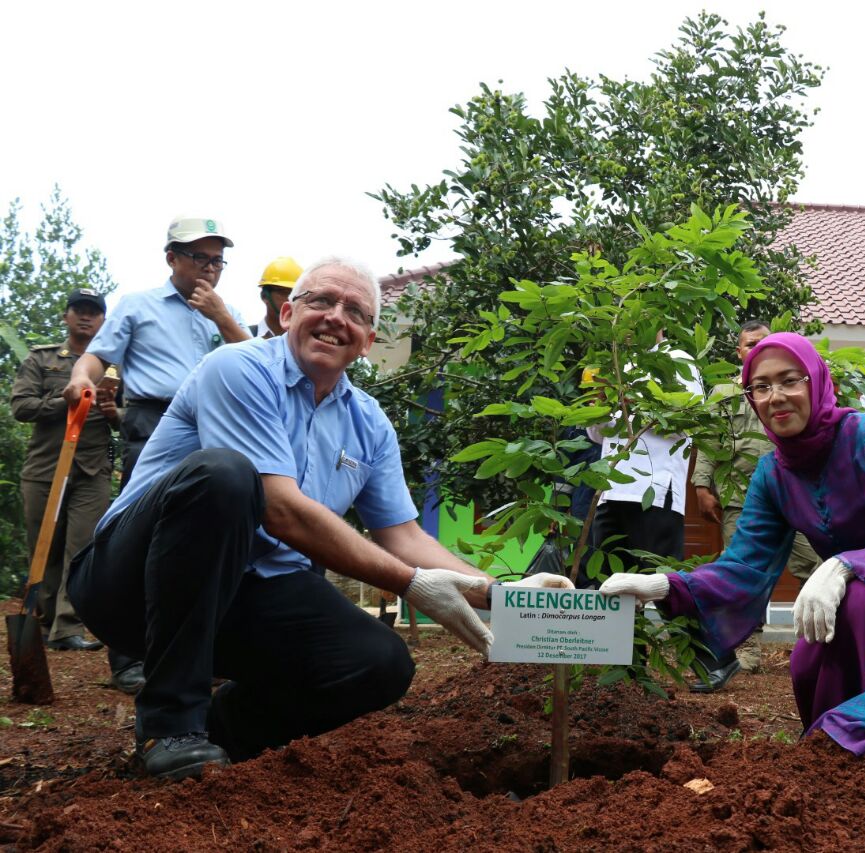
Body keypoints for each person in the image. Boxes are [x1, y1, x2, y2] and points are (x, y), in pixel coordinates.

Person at [64, 257, 571, 781]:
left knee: (378, 664)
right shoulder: (237, 368)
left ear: (368, 340)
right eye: (321, 301)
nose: (336, 317)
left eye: (355, 311)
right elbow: (278, 508)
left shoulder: (369, 424)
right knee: (225, 477)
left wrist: (502, 595)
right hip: (130, 588)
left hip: (241, 598)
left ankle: (214, 737)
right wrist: (412, 584)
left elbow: (403, 535)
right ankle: (170, 725)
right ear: (287, 314)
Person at [599, 333, 865, 755]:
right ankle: (836, 756)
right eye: (760, 387)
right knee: (807, 658)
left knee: (859, 603)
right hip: (862, 598)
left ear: (816, 381)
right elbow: (744, 566)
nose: (775, 397)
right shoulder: (772, 474)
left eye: (790, 380)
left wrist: (843, 566)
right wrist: (664, 585)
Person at [65, 215, 250, 693]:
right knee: (138, 530)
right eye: (199, 258)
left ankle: (203, 652)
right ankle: (128, 656)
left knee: (209, 532)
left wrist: (222, 317)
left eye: (218, 260)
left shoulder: (226, 312)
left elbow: (256, 362)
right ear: (171, 258)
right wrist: (81, 379)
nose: (210, 269)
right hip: (154, 424)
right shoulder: (138, 305)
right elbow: (96, 356)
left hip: (217, 425)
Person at [691, 320, 819, 687]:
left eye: (764, 342)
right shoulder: (723, 393)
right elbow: (710, 440)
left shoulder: (791, 387)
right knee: (742, 575)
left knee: (814, 565)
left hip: (793, 494)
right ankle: (746, 648)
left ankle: (821, 640)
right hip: (739, 497)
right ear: (739, 351)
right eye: (750, 344)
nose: (757, 348)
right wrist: (702, 485)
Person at [10, 289, 118, 652]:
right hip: (45, 467)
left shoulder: (117, 367)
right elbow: (21, 407)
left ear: (104, 321)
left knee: (82, 548)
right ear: (66, 316)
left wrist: (112, 412)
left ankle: (67, 627)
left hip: (92, 470)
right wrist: (66, 399)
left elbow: (132, 419)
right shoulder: (42, 361)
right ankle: (40, 620)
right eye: (79, 310)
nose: (86, 317)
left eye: (94, 312)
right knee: (45, 547)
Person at [586, 333, 703, 581]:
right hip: (610, 490)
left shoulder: (677, 359)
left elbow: (690, 421)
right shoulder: (615, 365)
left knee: (662, 584)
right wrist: (601, 406)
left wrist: (636, 401)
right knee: (609, 588)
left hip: (656, 490)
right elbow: (599, 436)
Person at [254, 256, 303, 338]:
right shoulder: (243, 337)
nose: (291, 299)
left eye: (297, 293)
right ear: (264, 296)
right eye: (285, 292)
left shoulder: (304, 344)